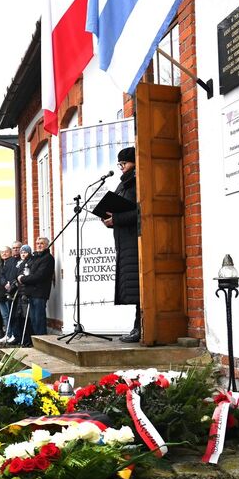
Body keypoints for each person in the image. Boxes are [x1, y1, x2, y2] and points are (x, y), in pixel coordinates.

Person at [103, 147, 141, 343]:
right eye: (120, 164)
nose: (121, 168)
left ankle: (140, 328)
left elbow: (141, 211)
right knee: (134, 288)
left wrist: (116, 219)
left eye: (124, 163)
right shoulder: (124, 184)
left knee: (139, 289)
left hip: (136, 243)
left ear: (134, 162)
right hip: (124, 243)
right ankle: (137, 327)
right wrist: (110, 218)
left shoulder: (138, 181)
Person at [18, 237, 55, 337]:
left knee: (39, 319)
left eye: (41, 243)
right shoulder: (35, 257)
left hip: (40, 292)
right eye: (37, 243)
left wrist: (23, 279)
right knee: (34, 319)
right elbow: (27, 268)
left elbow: (39, 276)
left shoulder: (48, 258)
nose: (39, 245)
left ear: (46, 245)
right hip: (31, 292)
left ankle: (42, 341)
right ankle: (37, 343)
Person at [0, 245, 18, 343]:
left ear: (10, 252)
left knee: (10, 315)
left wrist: (8, 284)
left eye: (6, 252)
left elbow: (13, 275)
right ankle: (8, 334)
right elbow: (0, 276)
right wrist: (4, 283)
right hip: (0, 293)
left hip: (10, 292)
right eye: (2, 252)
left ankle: (13, 334)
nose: (4, 254)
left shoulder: (13, 261)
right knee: (4, 316)